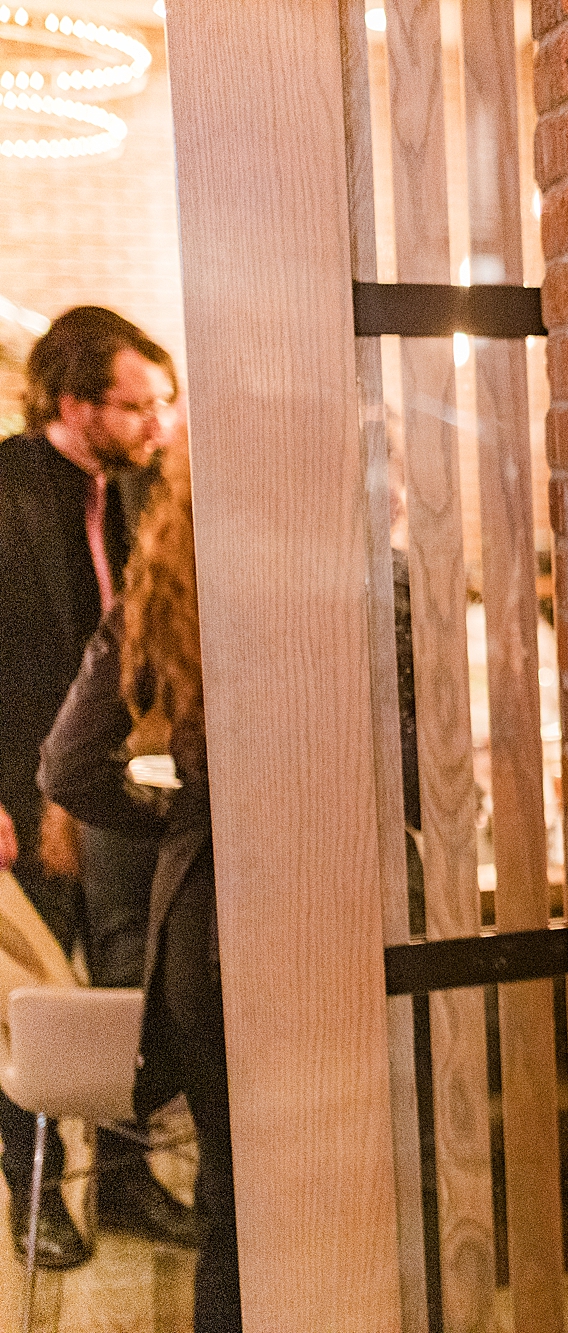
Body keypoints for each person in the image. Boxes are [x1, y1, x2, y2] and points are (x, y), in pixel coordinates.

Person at [0, 306, 200, 1265]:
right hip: (13, 787)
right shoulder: (3, 487)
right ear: (75, 403)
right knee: (26, 998)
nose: (157, 422)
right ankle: (32, 1198)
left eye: (164, 401)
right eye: (136, 404)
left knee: (128, 988)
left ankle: (124, 1186)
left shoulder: (140, 493)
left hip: (111, 786)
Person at [40, 439, 240, 1330]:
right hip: (324, 910)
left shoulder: (159, 600)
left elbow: (67, 768)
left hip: (204, 921)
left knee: (232, 1191)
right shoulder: (339, 588)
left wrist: (182, 822)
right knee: (357, 1163)